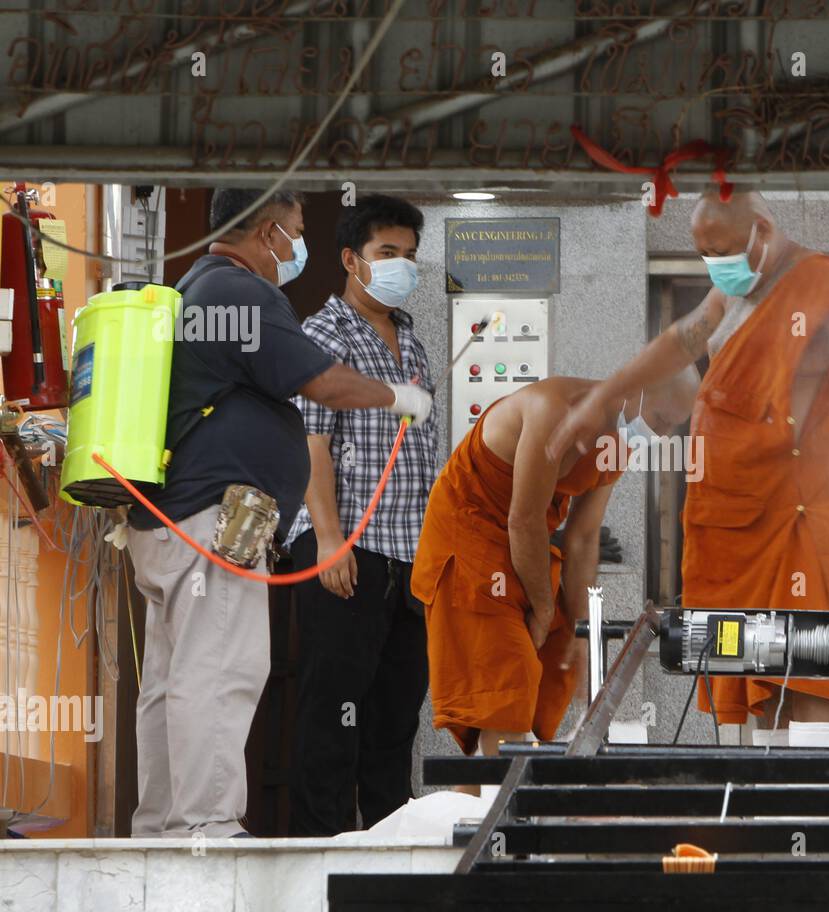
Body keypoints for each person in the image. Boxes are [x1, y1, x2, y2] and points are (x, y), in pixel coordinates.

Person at [545, 187, 829, 747]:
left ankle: (802, 827)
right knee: (753, 702)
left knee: (811, 690)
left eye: (720, 248)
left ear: (762, 232)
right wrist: (604, 397)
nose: (712, 263)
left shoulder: (817, 279)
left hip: (798, 531)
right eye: (701, 252)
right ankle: (760, 823)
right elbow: (680, 340)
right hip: (733, 531)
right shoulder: (729, 293)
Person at [126, 188, 432, 838]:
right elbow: (320, 381)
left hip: (177, 522)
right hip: (210, 521)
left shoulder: (197, 290)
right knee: (218, 668)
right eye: (295, 232)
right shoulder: (240, 292)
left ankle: (162, 828)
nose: (299, 247)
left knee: (172, 678)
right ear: (267, 232)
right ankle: (206, 827)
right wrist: (396, 396)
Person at [411, 373, 694, 782]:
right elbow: (523, 519)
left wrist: (581, 629)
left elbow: (582, 537)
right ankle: (509, 812)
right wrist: (542, 606)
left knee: (557, 659)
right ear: (634, 393)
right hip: (471, 535)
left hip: (528, 544)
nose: (661, 433)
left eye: (673, 426)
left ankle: (482, 799)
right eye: (662, 418)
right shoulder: (555, 408)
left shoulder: (620, 439)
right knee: (508, 674)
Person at [285, 195, 438, 835]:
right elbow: (311, 440)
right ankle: (315, 861)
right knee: (332, 716)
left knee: (394, 721)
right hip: (346, 549)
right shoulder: (322, 337)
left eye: (408, 255)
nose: (401, 266)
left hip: (411, 557)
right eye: (387, 254)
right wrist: (328, 540)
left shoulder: (415, 344)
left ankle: (386, 861)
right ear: (352, 259)